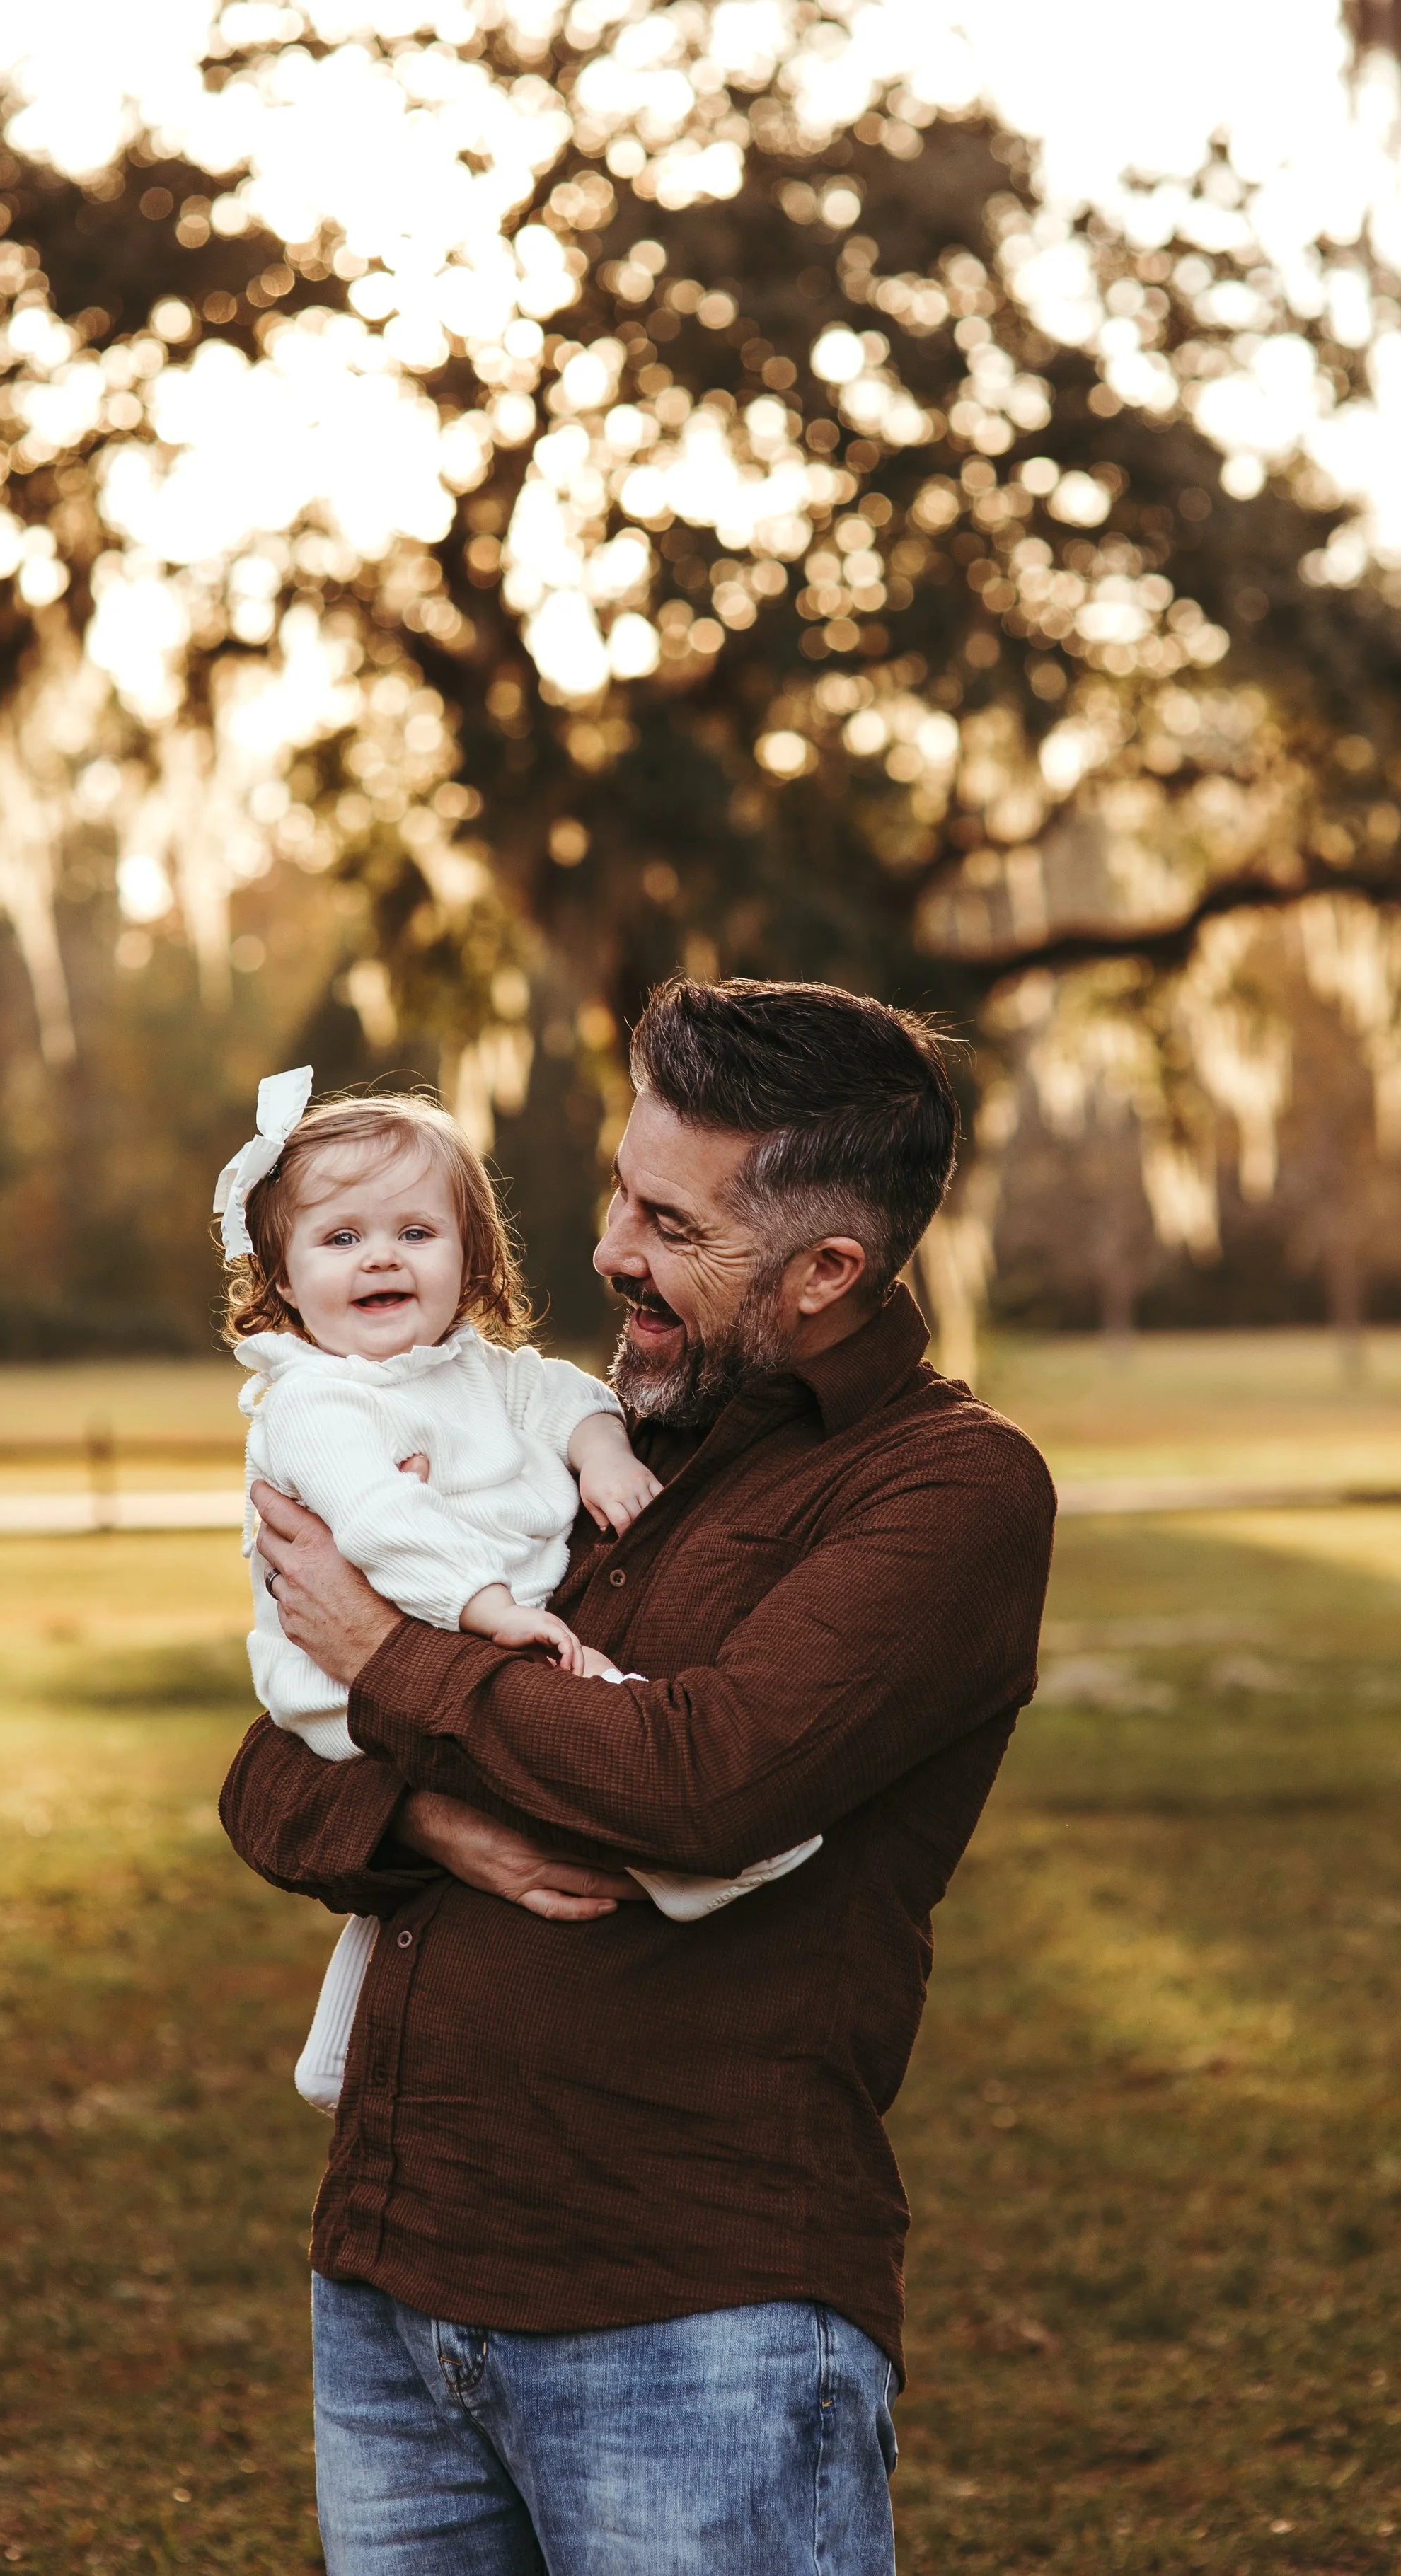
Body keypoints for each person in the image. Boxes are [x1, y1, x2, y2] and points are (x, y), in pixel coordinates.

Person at [220, 976, 1056, 2576]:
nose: (607, 1250)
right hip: (395, 2277)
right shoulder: (567, 1431)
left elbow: (698, 1784)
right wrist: (436, 1815)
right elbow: (268, 1777)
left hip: (692, 2318)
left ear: (826, 1270)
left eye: (669, 1224)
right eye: (620, 1192)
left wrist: (387, 1658)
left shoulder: (943, 1491)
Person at [215, 1072, 819, 2110]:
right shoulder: (316, 1402)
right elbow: (379, 1523)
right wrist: (490, 1608)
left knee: (462, 1810)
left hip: (446, 1640)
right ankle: (704, 1865)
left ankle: (335, 2055)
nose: (382, 1257)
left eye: (415, 1232)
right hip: (348, 1673)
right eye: (342, 1238)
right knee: (599, 1707)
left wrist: (603, 1456)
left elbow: (572, 1397)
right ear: (283, 1273)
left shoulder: (478, 1371)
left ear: (471, 1255)